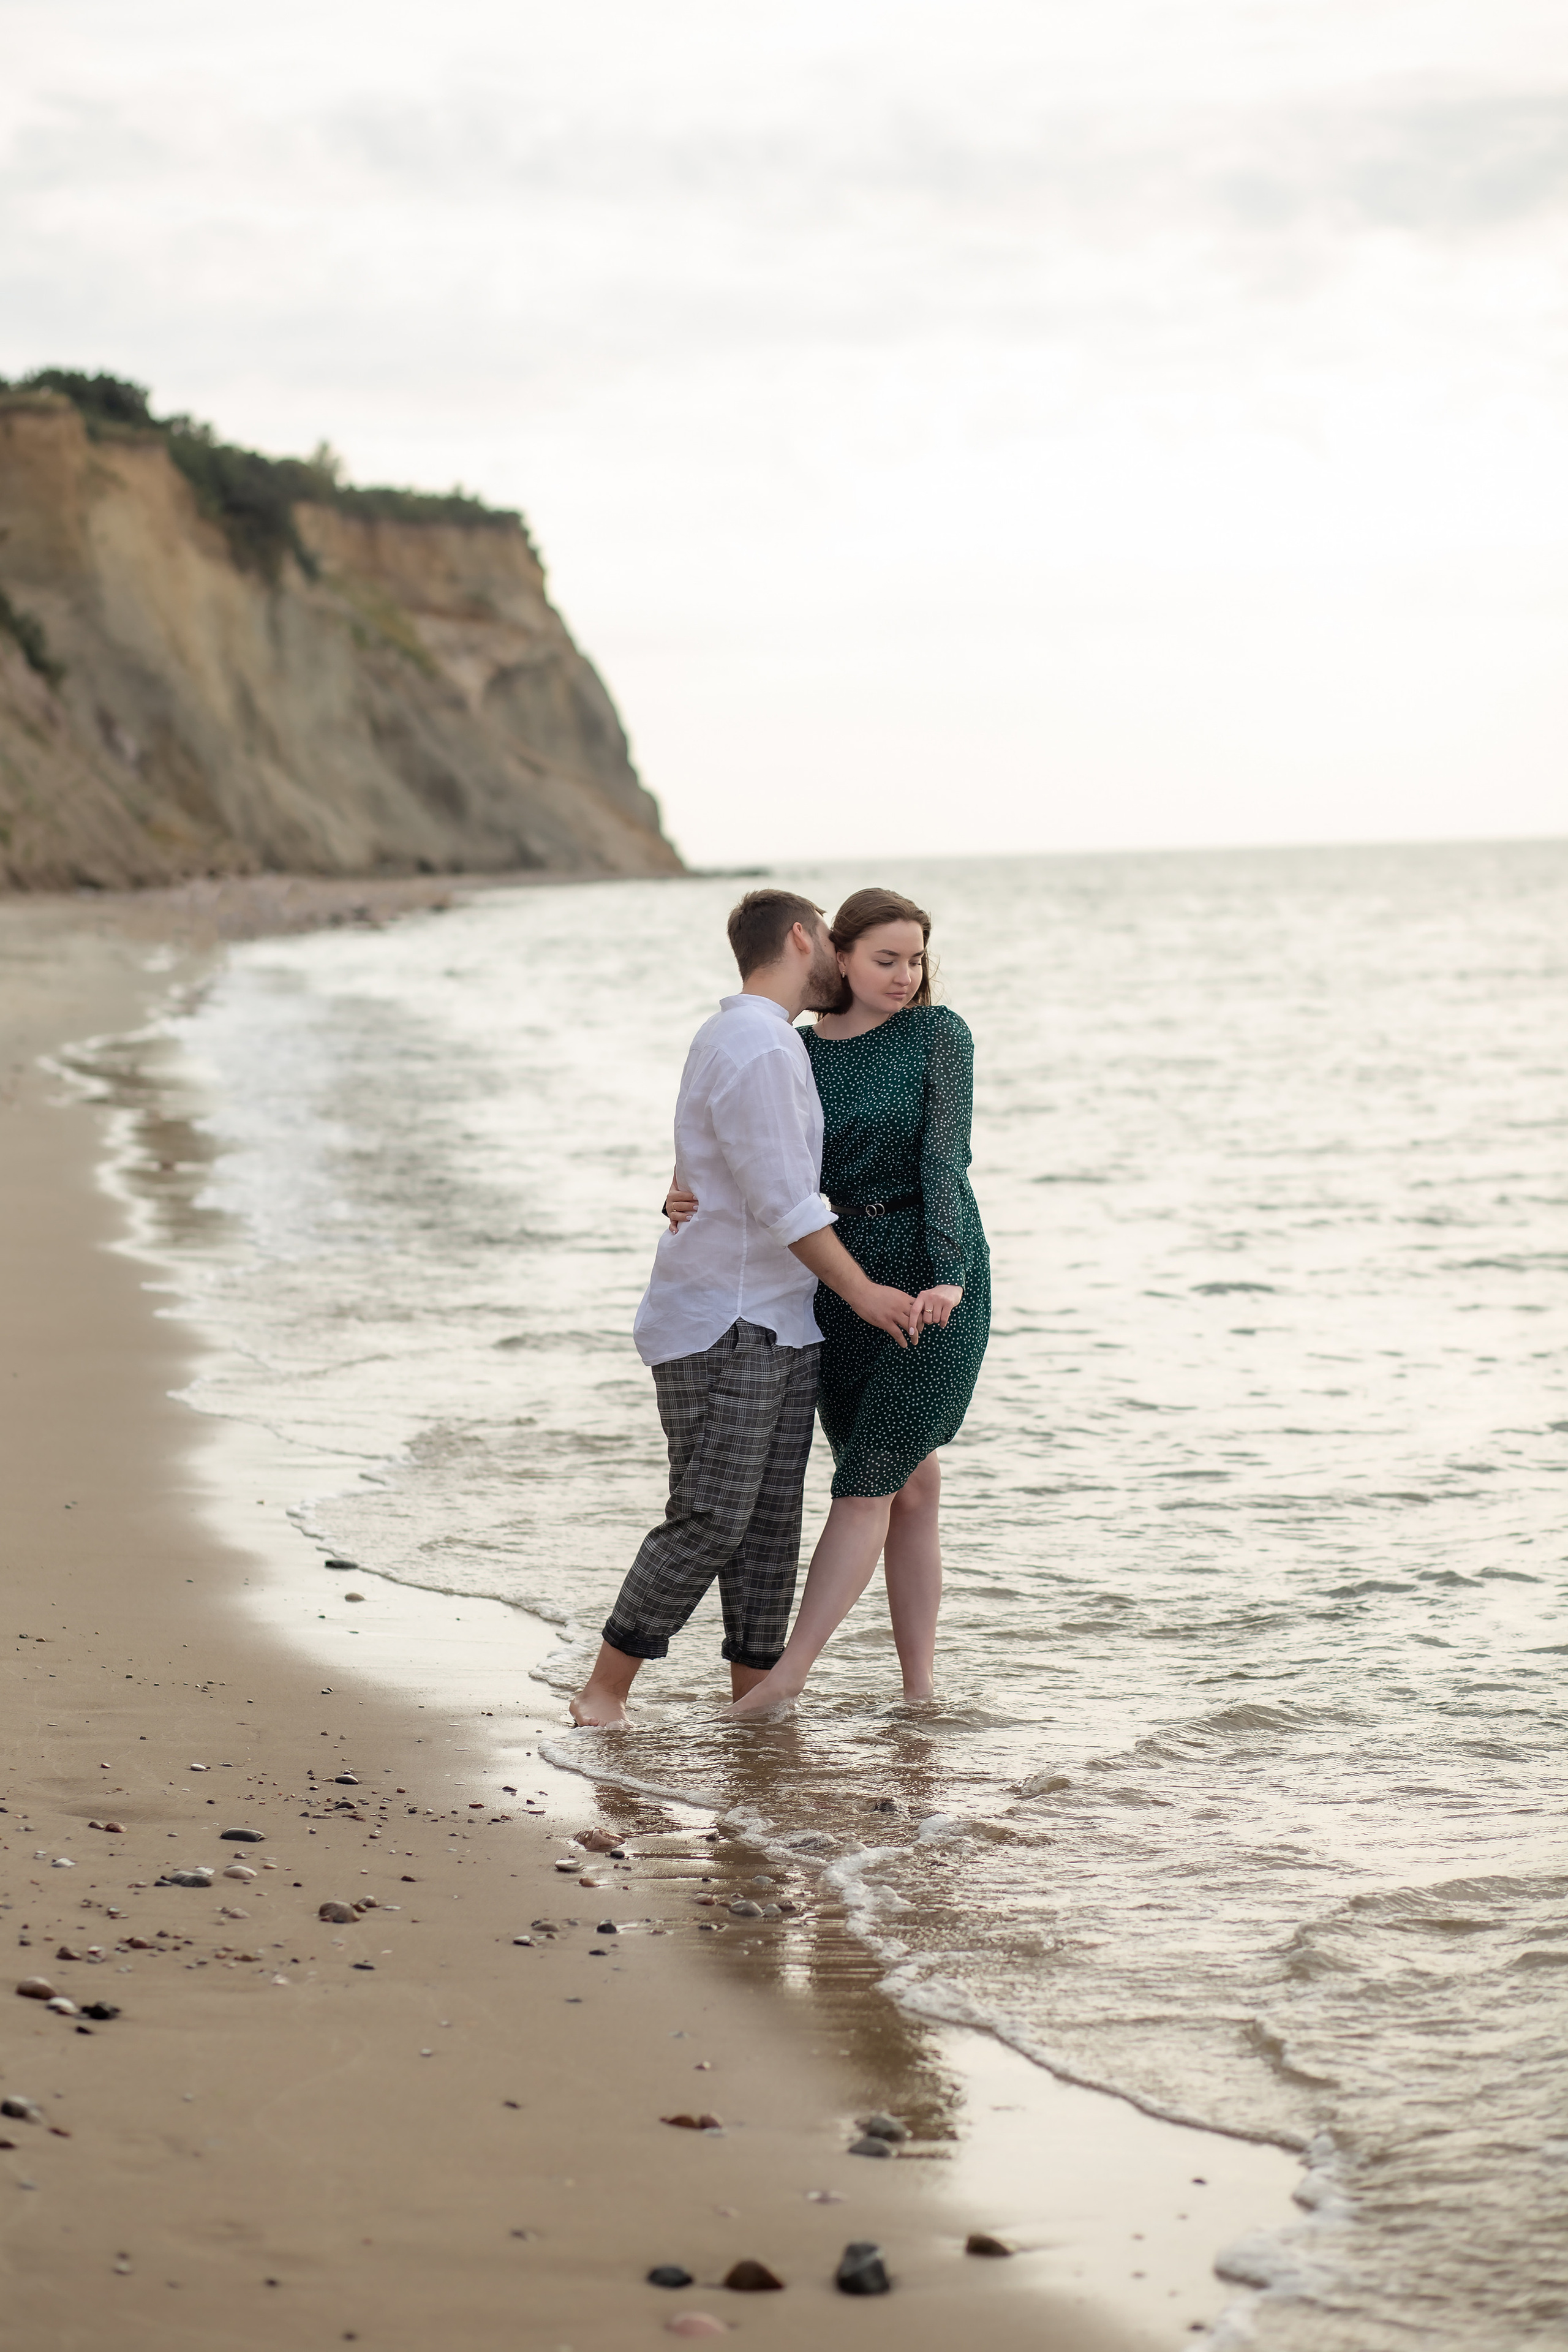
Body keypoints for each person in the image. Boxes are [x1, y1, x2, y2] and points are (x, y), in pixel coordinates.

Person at [569, 889, 921, 1728]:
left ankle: (752, 1707)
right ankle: (602, 1693)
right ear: (804, 939)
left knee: (766, 1535)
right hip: (724, 1323)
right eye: (838, 945)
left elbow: (718, 1159)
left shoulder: (755, 1039)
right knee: (711, 1520)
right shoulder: (758, 1044)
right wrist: (865, 1293)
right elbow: (784, 1202)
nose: (844, 963)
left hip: (776, 1318)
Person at [671, 888, 989, 1713]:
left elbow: (944, 1162)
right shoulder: (795, 1050)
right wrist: (683, 1186)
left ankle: (787, 1679)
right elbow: (754, 1152)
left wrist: (947, 1274)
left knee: (867, 1483)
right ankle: (920, 1693)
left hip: (934, 1279)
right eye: (887, 959)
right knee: (911, 1486)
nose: (905, 975)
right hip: (843, 1285)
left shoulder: (936, 1035)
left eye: (916, 959)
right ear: (836, 956)